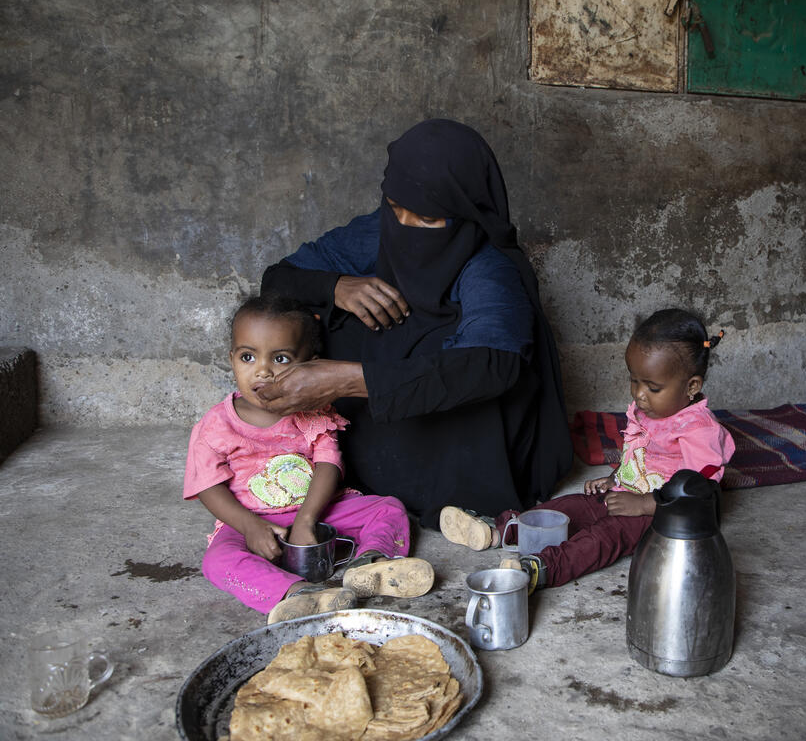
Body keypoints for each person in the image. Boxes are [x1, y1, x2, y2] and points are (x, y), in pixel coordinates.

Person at [258, 119, 573, 528]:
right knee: (325, 316)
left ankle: (446, 507)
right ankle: (339, 470)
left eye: (427, 220)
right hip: (382, 439)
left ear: (464, 212)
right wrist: (337, 286)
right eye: (395, 210)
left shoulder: (488, 265)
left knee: (459, 366)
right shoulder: (380, 229)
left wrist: (350, 380)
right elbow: (278, 279)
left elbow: (493, 365)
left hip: (462, 456)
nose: (405, 228)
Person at [440, 308, 736, 592]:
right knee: (568, 508)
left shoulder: (698, 430)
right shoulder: (650, 411)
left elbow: (699, 493)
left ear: (692, 385)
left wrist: (645, 504)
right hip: (622, 496)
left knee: (602, 538)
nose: (639, 394)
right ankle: (501, 531)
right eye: (634, 380)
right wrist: (616, 479)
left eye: (652, 387)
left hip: (659, 517)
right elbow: (640, 455)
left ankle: (541, 569)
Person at [183, 293, 433, 624]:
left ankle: (372, 564)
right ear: (231, 360)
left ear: (309, 365)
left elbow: (328, 465)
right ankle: (299, 595)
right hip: (250, 519)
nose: (263, 372)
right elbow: (208, 487)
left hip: (317, 509)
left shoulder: (312, 413)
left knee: (388, 507)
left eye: (281, 359)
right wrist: (250, 526)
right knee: (218, 561)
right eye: (247, 357)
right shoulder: (216, 425)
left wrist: (306, 519)